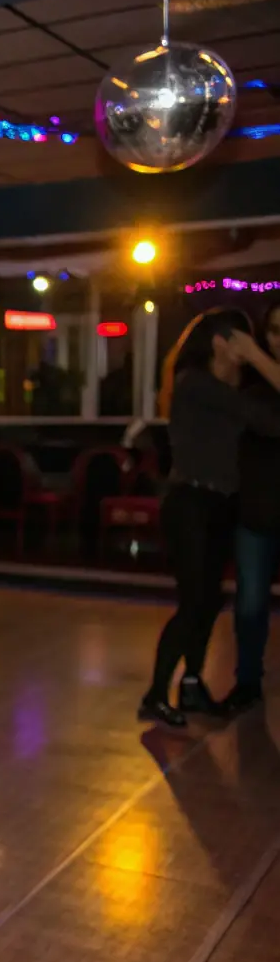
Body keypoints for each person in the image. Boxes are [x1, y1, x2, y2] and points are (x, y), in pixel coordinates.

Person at [140, 309, 280, 727]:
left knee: (208, 601)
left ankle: (192, 685)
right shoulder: (196, 383)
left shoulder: (227, 388)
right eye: (244, 339)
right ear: (221, 341)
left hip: (219, 504)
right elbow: (268, 422)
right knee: (194, 602)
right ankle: (155, 693)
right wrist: (257, 357)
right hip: (191, 503)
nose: (249, 347)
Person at [228, 302, 280, 714]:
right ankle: (247, 683)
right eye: (275, 331)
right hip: (257, 512)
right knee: (250, 604)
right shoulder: (252, 387)